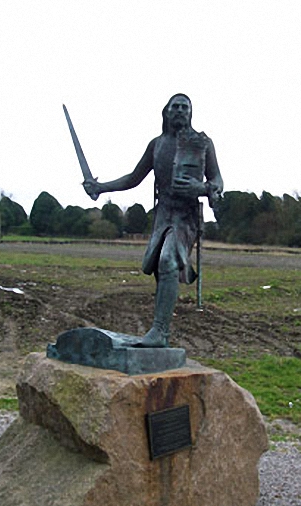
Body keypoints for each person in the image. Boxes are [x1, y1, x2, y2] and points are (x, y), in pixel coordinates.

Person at [83, 93, 223, 347]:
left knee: (168, 260)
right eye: (175, 106)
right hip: (163, 214)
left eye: (185, 107)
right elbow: (134, 178)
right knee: (159, 268)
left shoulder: (202, 143)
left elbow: (218, 182)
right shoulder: (156, 144)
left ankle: (160, 332)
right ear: (166, 112)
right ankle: (160, 332)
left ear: (191, 113)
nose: (180, 110)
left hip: (186, 216)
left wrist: (199, 188)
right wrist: (100, 187)